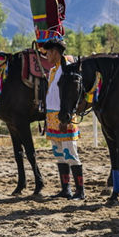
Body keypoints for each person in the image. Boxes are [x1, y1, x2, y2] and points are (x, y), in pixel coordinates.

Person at [42, 39, 84, 200]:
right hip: (52, 116)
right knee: (59, 153)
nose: (47, 56)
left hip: (64, 115)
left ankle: (80, 190)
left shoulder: (68, 67)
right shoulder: (53, 70)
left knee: (70, 153)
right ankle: (66, 188)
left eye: (50, 52)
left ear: (57, 52)